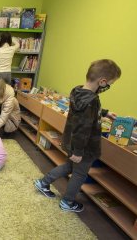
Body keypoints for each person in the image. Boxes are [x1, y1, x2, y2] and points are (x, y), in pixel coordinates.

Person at [34, 59, 121, 212]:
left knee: (68, 166)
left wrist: (105, 113)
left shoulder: (79, 91)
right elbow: (83, 129)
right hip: (83, 147)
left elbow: (84, 114)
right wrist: (79, 152)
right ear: (102, 81)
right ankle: (67, 202)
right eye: (109, 84)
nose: (109, 87)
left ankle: (43, 183)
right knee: (79, 174)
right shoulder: (91, 101)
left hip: (72, 142)